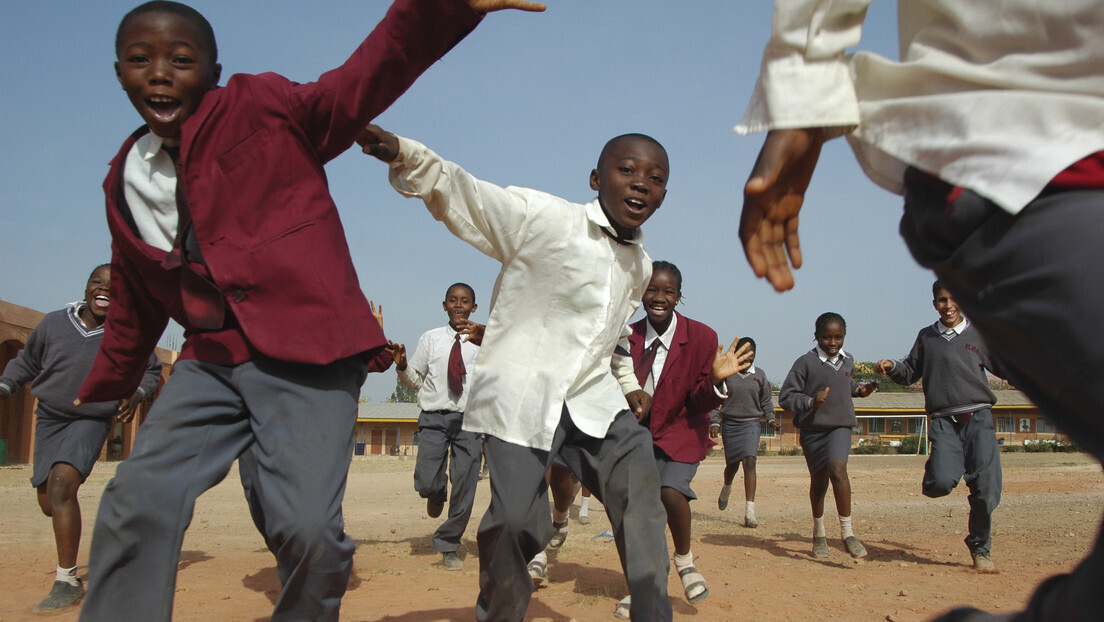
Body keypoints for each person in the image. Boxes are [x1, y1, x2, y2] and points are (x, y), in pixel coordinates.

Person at [75, 2, 544, 620]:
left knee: (311, 537)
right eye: (140, 60)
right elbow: (134, 300)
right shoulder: (124, 179)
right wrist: (102, 386)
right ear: (118, 73)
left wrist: (447, 7)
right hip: (210, 359)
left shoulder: (261, 107)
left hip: (309, 355)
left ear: (214, 69)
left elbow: (359, 79)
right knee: (134, 503)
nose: (159, 73)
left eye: (180, 60)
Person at [736, 3, 1104, 619]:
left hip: (969, 413)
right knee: (913, 478)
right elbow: (892, 373)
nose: (943, 303)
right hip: (1024, 158)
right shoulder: (868, 351)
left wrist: (869, 384)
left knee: (984, 486)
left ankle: (968, 540)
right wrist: (804, 89)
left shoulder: (964, 342)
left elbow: (991, 369)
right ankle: (841, 523)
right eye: (939, 297)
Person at [359, 124, 750, 622]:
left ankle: (652, 613)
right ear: (595, 178)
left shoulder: (640, 267)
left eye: (654, 178)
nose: (639, 183)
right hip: (521, 395)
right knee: (517, 524)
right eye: (626, 170)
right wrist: (407, 156)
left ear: (663, 195)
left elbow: (611, 343)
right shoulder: (546, 219)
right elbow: (470, 197)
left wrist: (628, 387)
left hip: (593, 399)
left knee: (642, 497)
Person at [0, 265, 162, 614]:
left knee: (61, 487)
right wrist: (5, 385)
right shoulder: (53, 323)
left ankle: (67, 580)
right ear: (87, 288)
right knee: (49, 501)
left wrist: (136, 394)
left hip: (91, 419)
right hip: (50, 418)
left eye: (114, 287)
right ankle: (70, 554)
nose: (104, 290)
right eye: (97, 283)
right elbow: (26, 362)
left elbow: (150, 369)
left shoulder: (127, 331)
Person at [614, 260, 745, 618]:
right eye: (652, 290)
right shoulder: (626, 334)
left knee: (670, 491)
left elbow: (700, 400)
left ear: (679, 297)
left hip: (683, 430)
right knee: (638, 512)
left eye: (668, 291)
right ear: (641, 294)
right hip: (637, 434)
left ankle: (685, 559)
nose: (659, 298)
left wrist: (717, 381)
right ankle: (642, 586)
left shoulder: (702, 337)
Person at [875, 281, 1005, 571]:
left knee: (985, 489)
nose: (949, 306)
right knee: (940, 484)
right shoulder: (927, 337)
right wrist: (892, 367)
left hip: (979, 418)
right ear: (935, 304)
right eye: (942, 300)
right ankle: (938, 467)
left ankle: (980, 548)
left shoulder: (979, 334)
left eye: (954, 299)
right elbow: (909, 372)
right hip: (945, 420)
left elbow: (1007, 367)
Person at [395, 282, 484, 570]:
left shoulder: (485, 342)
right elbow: (415, 381)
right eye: (453, 300)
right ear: (444, 305)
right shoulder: (431, 339)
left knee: (465, 483)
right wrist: (402, 366)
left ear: (474, 307)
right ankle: (435, 492)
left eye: (465, 301)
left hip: (469, 421)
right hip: (434, 419)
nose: (459, 305)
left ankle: (449, 543)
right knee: (426, 480)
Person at [779, 313, 876, 560]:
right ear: (816, 337)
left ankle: (848, 533)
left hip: (840, 427)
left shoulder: (848, 360)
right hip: (813, 432)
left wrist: (861, 391)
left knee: (838, 469)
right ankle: (819, 532)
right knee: (819, 482)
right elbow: (786, 397)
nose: (833, 343)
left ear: (844, 336)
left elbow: (846, 385)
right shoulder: (805, 363)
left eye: (838, 337)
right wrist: (812, 401)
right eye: (827, 337)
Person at [710, 336, 779, 528]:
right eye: (744, 354)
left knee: (750, 462)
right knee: (732, 466)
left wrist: (771, 418)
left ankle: (750, 512)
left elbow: (766, 401)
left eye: (752, 355)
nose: (748, 359)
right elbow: (715, 398)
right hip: (730, 424)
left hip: (751, 424)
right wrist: (714, 422)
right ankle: (727, 486)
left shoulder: (760, 375)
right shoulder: (726, 373)